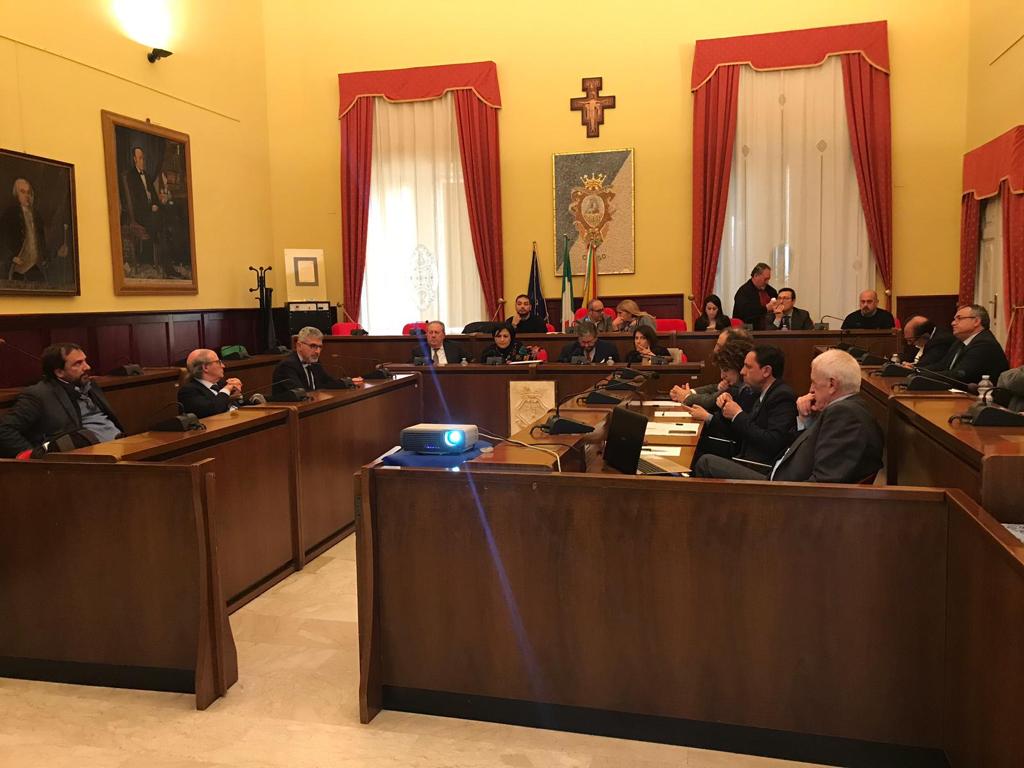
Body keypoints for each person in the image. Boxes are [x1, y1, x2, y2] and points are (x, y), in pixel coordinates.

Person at [772, 349, 884, 482]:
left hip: (785, 491)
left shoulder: (845, 415)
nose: (811, 390)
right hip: (782, 483)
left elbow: (824, 482)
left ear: (832, 384)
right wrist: (805, 420)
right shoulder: (846, 409)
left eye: (814, 382)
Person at [0, 343, 124, 457]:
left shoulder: (89, 384)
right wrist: (32, 456)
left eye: (85, 361)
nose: (87, 367)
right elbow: (5, 429)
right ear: (59, 372)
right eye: (78, 363)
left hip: (120, 446)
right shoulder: (39, 395)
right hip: (89, 459)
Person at [689, 345, 797, 474]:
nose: (742, 371)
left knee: (704, 462)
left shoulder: (782, 396)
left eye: (748, 367)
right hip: (743, 456)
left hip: (760, 469)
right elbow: (742, 431)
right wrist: (727, 410)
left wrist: (737, 415)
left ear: (766, 371)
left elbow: (773, 441)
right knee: (697, 447)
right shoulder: (759, 391)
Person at [1, 177, 69, 282]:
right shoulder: (10, 214)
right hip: (16, 267)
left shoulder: (36, 216)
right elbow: (2, 240)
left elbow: (41, 246)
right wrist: (11, 257)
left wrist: (57, 253)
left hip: (34, 266)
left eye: (28, 192)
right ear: (16, 194)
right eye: (22, 192)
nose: (27, 196)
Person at [921, 304, 1008, 384]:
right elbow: (942, 365)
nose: (953, 323)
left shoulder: (985, 344)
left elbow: (960, 375)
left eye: (959, 318)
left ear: (976, 321)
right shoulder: (960, 342)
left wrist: (922, 376)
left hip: (981, 394)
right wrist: (917, 371)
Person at [670, 327, 753, 406]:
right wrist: (690, 392)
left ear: (734, 348)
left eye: (719, 346)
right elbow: (716, 388)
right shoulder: (733, 370)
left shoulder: (743, 380)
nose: (715, 350)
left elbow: (711, 401)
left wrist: (686, 396)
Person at [273, 326, 361, 395]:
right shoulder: (287, 366)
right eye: (313, 346)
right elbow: (301, 393)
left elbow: (327, 382)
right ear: (299, 346)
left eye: (320, 347)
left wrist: (348, 382)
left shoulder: (314, 362)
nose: (317, 351)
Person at [121, 146, 160, 268]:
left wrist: (155, 204)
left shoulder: (147, 175)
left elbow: (154, 196)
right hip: (140, 214)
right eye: (140, 158)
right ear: (134, 159)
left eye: (143, 158)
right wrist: (150, 207)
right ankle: (162, 261)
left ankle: (159, 259)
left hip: (151, 212)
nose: (143, 161)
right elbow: (134, 202)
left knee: (164, 217)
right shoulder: (130, 176)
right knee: (159, 223)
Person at [178, 349, 245, 418]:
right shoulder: (189, 392)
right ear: (205, 367)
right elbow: (214, 410)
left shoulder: (221, 385)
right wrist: (227, 389)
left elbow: (238, 406)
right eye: (218, 362)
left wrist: (238, 396)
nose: (223, 366)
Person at [732, 262, 778, 327]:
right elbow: (746, 313)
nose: (767, 282)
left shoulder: (771, 291)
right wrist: (766, 308)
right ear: (756, 275)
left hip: (770, 327)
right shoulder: (743, 292)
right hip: (748, 329)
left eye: (768, 279)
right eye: (765, 279)